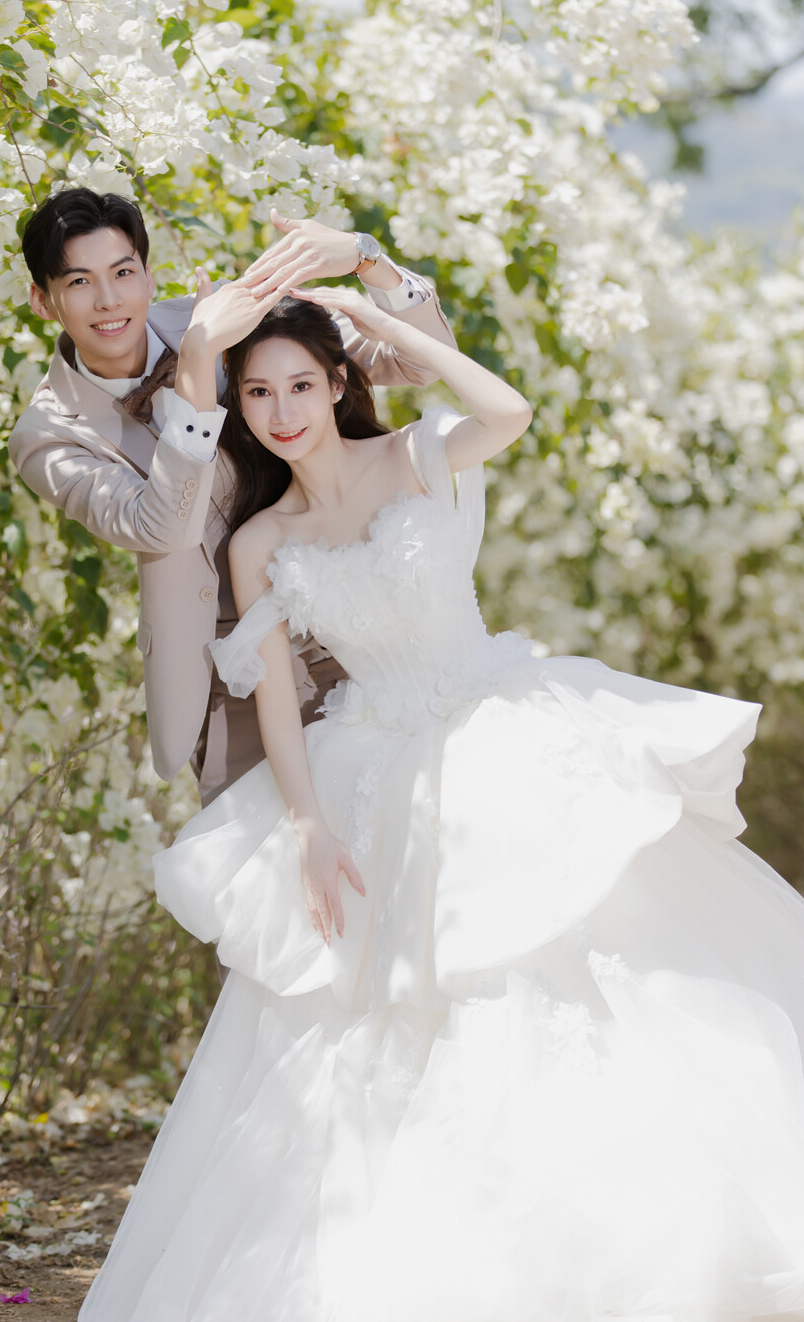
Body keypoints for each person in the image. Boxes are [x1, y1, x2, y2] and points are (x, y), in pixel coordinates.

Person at [79, 285, 804, 1321]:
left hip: (498, 729)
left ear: (338, 383)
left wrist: (383, 319)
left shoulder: (414, 455)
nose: (282, 411)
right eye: (259, 393)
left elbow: (507, 411)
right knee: (379, 1006)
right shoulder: (261, 541)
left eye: (301, 385)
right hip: (371, 763)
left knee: (566, 949)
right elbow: (276, 703)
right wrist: (307, 826)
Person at [8, 188, 457, 803]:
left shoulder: (223, 313)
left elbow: (419, 364)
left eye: (123, 272)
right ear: (42, 300)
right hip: (232, 675)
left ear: (148, 274)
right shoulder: (48, 435)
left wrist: (366, 259)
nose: (109, 300)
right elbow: (162, 527)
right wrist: (196, 366)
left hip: (354, 624)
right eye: (79, 282)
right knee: (274, 855)